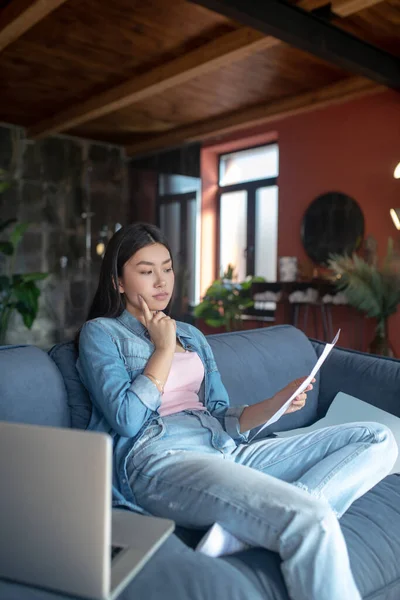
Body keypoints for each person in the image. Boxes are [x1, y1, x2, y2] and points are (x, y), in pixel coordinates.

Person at [76, 222, 397, 600]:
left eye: (167, 268)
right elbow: (127, 419)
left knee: (379, 438)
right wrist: (162, 350)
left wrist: (275, 403)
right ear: (118, 281)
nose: (161, 281)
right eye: (146, 272)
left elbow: (221, 414)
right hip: (161, 457)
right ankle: (274, 520)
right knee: (311, 519)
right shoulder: (102, 334)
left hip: (223, 449)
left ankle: (244, 528)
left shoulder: (190, 335)